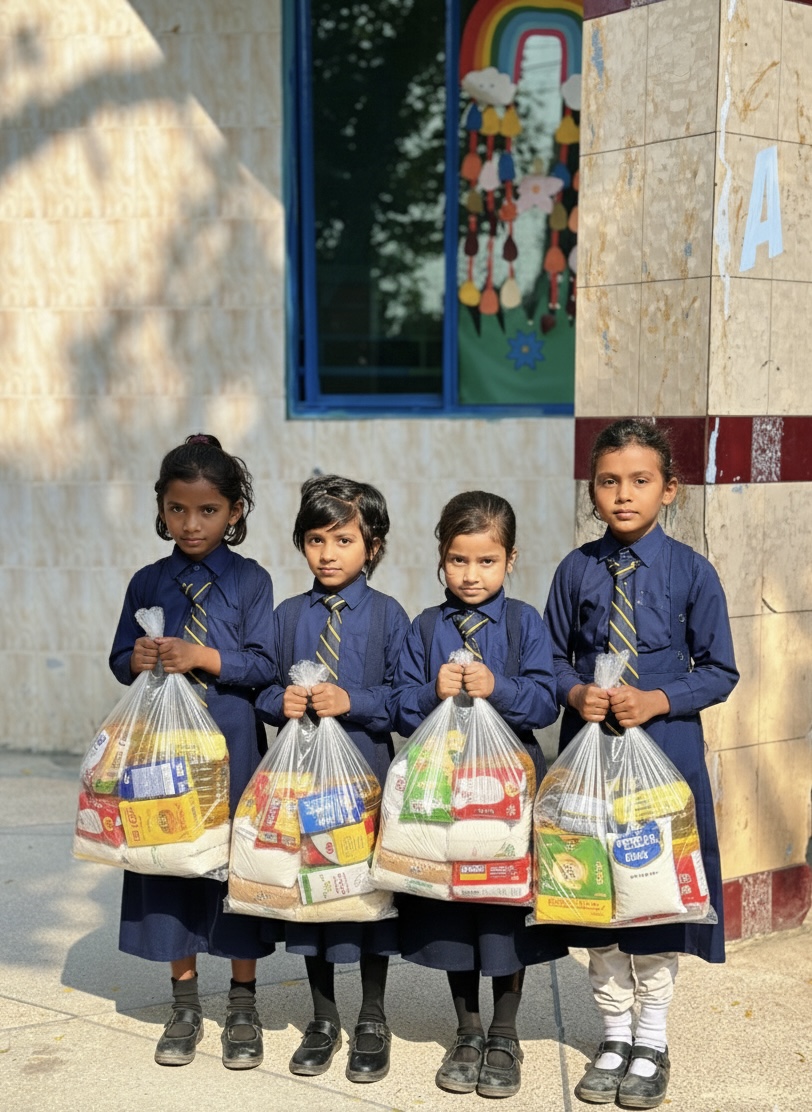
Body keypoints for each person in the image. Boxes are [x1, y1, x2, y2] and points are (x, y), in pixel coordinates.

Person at [544, 418, 739, 1109]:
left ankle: (651, 1039)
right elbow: (552, 660)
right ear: (592, 491)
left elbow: (720, 671)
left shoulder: (693, 572)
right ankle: (612, 1035)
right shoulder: (574, 570)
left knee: (653, 892)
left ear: (670, 489)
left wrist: (658, 698)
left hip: (664, 756)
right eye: (608, 482)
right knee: (596, 891)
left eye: (640, 481)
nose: (623, 495)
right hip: (591, 757)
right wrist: (576, 693)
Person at [390, 490, 568, 1100]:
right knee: (453, 902)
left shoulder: (524, 623)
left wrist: (500, 686)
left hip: (507, 791)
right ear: (441, 558)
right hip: (441, 789)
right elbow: (399, 704)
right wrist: (429, 692)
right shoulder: (426, 626)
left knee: (502, 905)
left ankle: (504, 1032)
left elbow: (544, 702)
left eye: (487, 561)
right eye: (459, 560)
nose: (471, 574)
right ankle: (466, 1030)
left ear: (510, 560)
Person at [109, 433, 276, 1070]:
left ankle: (243, 1000)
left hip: (232, 745)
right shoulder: (148, 581)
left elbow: (263, 663)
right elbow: (118, 659)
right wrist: (139, 656)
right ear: (161, 507)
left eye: (208, 510)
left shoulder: (251, 580)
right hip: (161, 749)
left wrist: (200, 655)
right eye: (177, 509)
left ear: (234, 511)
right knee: (168, 859)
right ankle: (183, 1002)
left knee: (232, 867)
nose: (191, 523)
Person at [255, 475, 409, 1084]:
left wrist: (354, 701)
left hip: (365, 772)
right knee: (310, 890)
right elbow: (262, 686)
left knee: (366, 892)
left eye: (343, 540)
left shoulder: (390, 615)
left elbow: (405, 701)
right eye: (315, 539)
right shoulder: (287, 615)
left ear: (372, 546)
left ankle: (372, 1016)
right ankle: (322, 1018)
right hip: (301, 778)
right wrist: (280, 701)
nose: (327, 553)